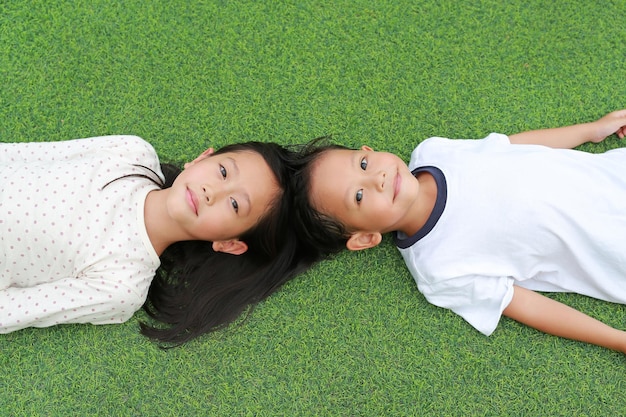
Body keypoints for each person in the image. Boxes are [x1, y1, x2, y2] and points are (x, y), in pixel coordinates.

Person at [292, 109, 626, 354]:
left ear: (367, 152)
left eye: (363, 165)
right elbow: (529, 306)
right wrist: (618, 339)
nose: (376, 178)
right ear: (365, 238)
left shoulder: (435, 151)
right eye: (359, 196)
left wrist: (591, 130)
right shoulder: (438, 269)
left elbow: (513, 147)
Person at [1, 135, 308, 345]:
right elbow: (21, 154)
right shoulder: (131, 153)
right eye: (223, 171)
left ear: (229, 244)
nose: (212, 191)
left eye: (236, 205)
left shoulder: (123, 285)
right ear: (202, 159)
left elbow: (13, 309)